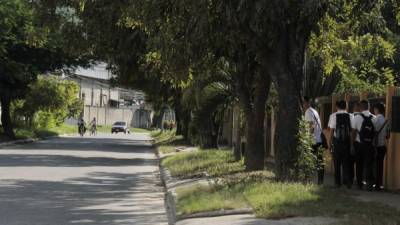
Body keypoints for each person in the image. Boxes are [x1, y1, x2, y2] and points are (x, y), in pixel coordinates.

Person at [328, 100, 353, 188]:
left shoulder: (333, 116)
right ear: (346, 106)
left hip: (337, 142)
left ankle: (337, 183)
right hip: (347, 142)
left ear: (336, 107)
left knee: (337, 163)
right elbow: (351, 132)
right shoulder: (350, 115)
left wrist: (329, 144)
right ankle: (347, 182)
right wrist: (352, 144)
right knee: (346, 162)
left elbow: (331, 131)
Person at [352, 100, 376, 191]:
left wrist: (352, 144)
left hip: (359, 145)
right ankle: (369, 184)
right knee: (369, 164)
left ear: (360, 107)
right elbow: (375, 133)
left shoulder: (357, 117)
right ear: (369, 107)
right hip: (370, 145)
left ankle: (359, 184)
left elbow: (353, 132)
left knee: (359, 164)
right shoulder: (374, 117)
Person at [303, 97, 324, 185]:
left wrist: (308, 140)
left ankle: (308, 180)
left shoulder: (308, 112)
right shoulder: (314, 111)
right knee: (319, 161)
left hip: (312, 141)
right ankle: (320, 181)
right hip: (318, 139)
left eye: (303, 103)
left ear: (306, 103)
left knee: (308, 160)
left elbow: (311, 126)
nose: (303, 105)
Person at [372, 102, 390, 191]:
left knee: (374, 165)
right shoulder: (386, 120)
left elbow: (373, 133)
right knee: (380, 166)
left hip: (376, 146)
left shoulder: (375, 120)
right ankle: (378, 184)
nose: (374, 111)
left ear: (377, 110)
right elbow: (387, 135)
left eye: (374, 109)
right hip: (383, 146)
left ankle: (374, 183)